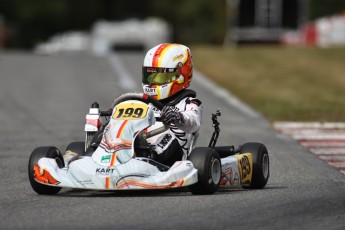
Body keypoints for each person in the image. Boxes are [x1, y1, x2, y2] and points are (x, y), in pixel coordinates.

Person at [142, 43, 202, 166]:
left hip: (174, 160)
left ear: (180, 75)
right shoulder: (143, 102)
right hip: (139, 148)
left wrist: (177, 116)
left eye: (160, 76)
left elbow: (193, 122)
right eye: (150, 76)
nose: (153, 83)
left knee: (167, 137)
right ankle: (94, 153)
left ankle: (149, 160)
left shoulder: (189, 102)